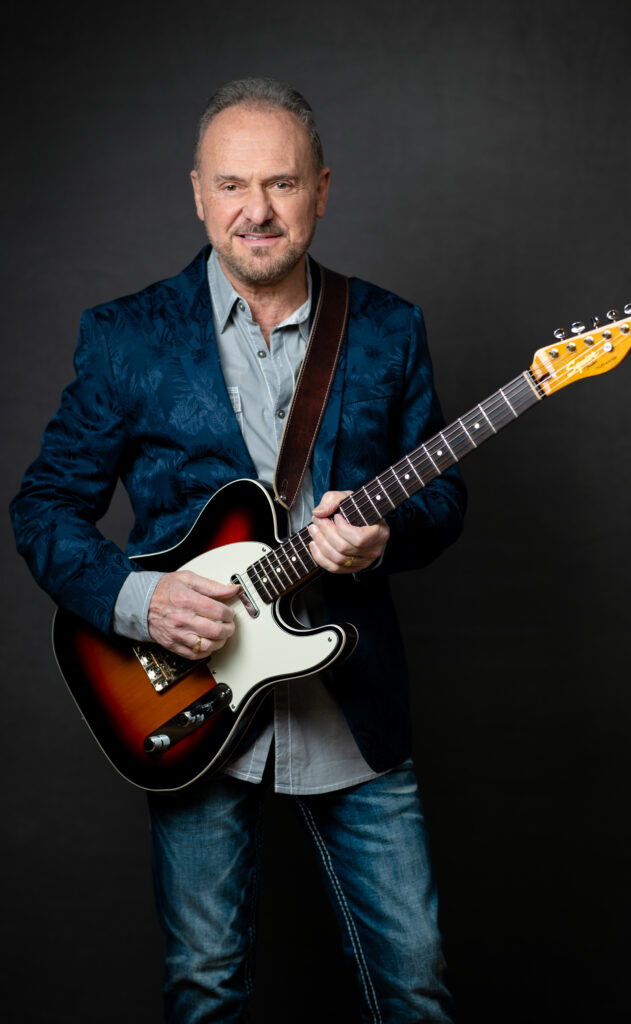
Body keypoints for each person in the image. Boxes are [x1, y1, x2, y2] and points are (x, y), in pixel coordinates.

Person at [11, 78, 466, 1022]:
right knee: (205, 986)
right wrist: (141, 604)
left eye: (280, 183)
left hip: (352, 710)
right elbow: (45, 507)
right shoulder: (127, 338)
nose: (256, 210)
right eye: (231, 185)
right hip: (185, 708)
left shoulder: (387, 329)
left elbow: (444, 498)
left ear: (321, 190)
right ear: (197, 193)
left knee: (416, 985)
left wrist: (383, 537)